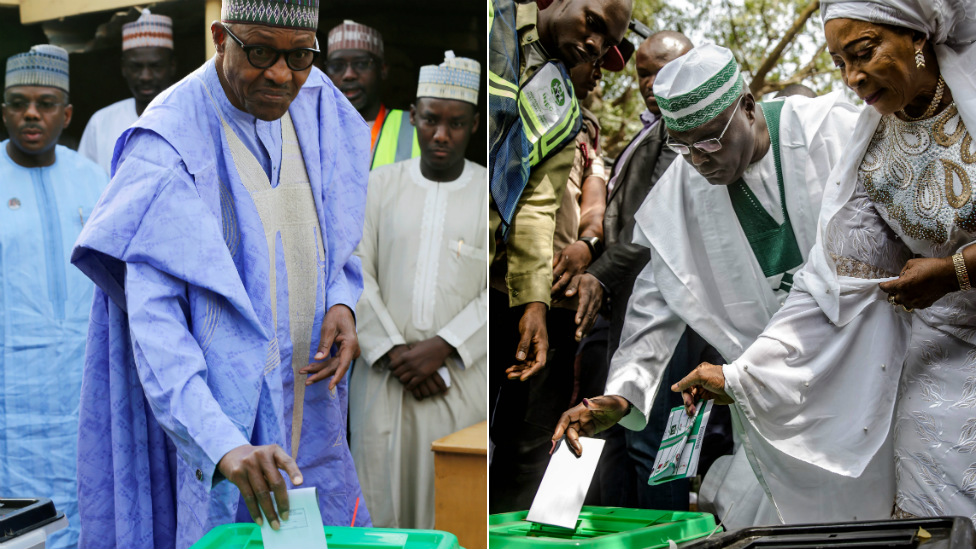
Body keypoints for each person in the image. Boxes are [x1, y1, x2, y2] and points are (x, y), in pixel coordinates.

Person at [70, 1, 372, 547]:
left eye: (300, 55)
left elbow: (339, 229)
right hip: (209, 429)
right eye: (259, 52)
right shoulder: (167, 142)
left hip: (311, 402)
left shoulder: (318, 99)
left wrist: (341, 300)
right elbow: (155, 327)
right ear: (219, 37)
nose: (281, 74)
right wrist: (220, 444)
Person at [671, 0, 976, 525]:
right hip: (943, 352)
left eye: (864, 52)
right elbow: (830, 283)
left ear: (918, 38)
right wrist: (741, 376)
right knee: (932, 488)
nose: (853, 77)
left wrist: (957, 270)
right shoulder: (873, 154)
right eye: (839, 63)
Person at [552, 44, 861, 527]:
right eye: (683, 146)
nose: (698, 160)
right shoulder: (683, 186)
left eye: (710, 140)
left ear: (749, 106)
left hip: (863, 375)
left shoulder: (830, 131)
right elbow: (655, 302)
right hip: (769, 405)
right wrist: (623, 394)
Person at [349, 52, 486, 529]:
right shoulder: (377, 186)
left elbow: (499, 293)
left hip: (459, 382)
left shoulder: (489, 195)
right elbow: (352, 273)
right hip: (383, 380)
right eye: (430, 120)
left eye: (456, 123)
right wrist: (391, 351)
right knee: (378, 507)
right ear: (414, 118)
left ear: (474, 125)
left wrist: (443, 347)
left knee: (449, 509)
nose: (441, 135)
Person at [489, 51, 614, 513]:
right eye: (592, 60)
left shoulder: (588, 133)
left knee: (531, 440)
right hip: (502, 293)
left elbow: (595, 201)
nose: (597, 71)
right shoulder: (524, 106)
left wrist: (588, 242)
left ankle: (506, 528)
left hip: (558, 306)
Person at [488, 0, 631, 387]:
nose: (595, 44)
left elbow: (536, 206)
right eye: (592, 23)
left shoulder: (568, 115)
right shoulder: (493, 20)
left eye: (607, 41)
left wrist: (534, 304)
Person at [0, 44, 108, 549]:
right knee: (21, 527)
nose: (30, 114)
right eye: (18, 102)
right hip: (12, 398)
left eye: (45, 103)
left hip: (82, 389)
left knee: (88, 503)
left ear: (67, 114)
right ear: (4, 110)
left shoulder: (96, 181)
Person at [79, 9, 178, 174]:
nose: (145, 76)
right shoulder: (101, 123)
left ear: (172, 66)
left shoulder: (192, 120)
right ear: (124, 68)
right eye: (136, 67)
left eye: (155, 66)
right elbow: (84, 185)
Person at [325, 20, 418, 169]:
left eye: (362, 64)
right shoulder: (310, 128)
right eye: (337, 66)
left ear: (383, 70)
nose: (349, 75)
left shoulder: (414, 127)